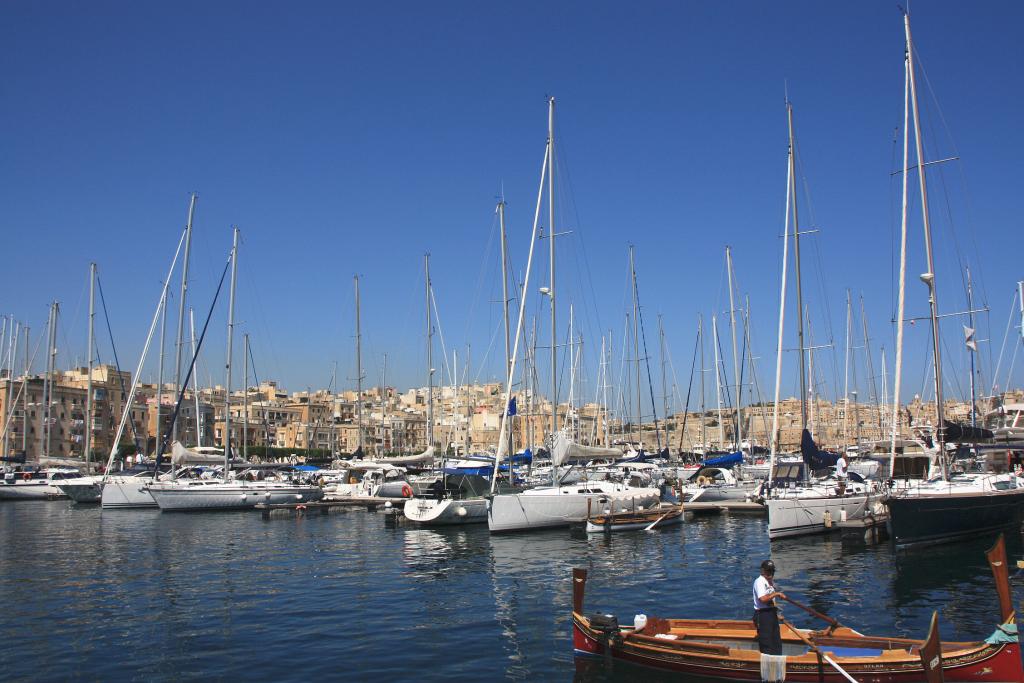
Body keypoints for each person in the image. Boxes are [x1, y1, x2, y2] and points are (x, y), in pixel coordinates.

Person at [753, 559, 785, 655]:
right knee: (767, 643)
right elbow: (762, 599)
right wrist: (777, 594)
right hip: (763, 615)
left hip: (771, 613)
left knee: (776, 642)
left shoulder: (769, 582)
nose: (770, 573)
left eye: (772, 571)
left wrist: (777, 614)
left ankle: (778, 660)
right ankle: (767, 665)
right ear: (762, 571)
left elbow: (771, 602)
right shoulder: (759, 581)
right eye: (768, 571)